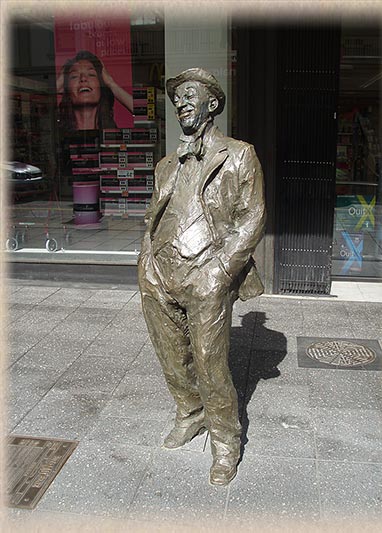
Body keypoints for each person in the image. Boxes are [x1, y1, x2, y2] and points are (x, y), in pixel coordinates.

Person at [138, 68, 266, 486]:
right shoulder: (165, 164)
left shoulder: (239, 153)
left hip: (207, 274)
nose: (181, 103)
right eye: (177, 98)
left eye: (189, 95)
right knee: (172, 357)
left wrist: (221, 271)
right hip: (160, 273)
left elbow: (252, 219)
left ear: (212, 103)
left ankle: (226, 440)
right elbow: (152, 219)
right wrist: (146, 265)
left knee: (211, 362)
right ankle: (189, 413)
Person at [57, 50, 133, 131]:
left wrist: (111, 83)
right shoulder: (55, 135)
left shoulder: (113, 137)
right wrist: (58, 84)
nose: (83, 78)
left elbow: (146, 115)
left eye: (91, 74)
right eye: (74, 76)